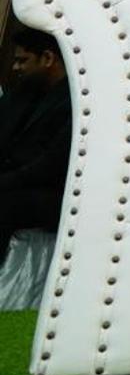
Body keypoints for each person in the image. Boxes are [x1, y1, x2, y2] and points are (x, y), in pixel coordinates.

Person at [0, 26, 71, 261]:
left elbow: (50, 164)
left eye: (22, 61)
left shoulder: (72, 102)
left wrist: (4, 181)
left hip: (47, 191)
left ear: (48, 58)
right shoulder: (25, 92)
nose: (15, 68)